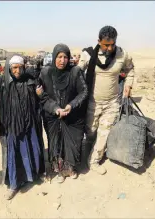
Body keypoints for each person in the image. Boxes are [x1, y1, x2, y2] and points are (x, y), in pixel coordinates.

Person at [78, 25, 134, 175]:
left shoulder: (122, 54)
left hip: (112, 103)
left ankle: (93, 161)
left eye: (112, 44)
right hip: (92, 102)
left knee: (104, 133)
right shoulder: (88, 54)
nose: (109, 48)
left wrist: (128, 85)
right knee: (90, 132)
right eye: (106, 45)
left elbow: (130, 70)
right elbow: (76, 73)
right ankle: (88, 149)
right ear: (99, 41)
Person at [0, 55, 45, 200]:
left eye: (20, 67)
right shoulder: (1, 80)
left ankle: (32, 176)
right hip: (12, 125)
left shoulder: (30, 79)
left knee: (31, 150)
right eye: (14, 67)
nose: (18, 70)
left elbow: (41, 97)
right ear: (9, 68)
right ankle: (14, 184)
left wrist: (40, 95)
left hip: (29, 123)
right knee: (13, 154)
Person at [36, 44, 88, 183]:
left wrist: (71, 105)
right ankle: (58, 168)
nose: (62, 60)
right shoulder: (46, 72)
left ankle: (69, 168)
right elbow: (42, 95)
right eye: (59, 57)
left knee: (73, 142)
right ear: (54, 57)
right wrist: (55, 109)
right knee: (55, 141)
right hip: (52, 116)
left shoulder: (75, 71)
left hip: (73, 115)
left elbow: (84, 91)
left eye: (65, 57)